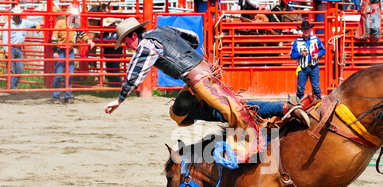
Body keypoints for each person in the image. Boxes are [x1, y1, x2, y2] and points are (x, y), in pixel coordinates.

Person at [104, 18, 310, 161]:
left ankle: (283, 108)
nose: (126, 46)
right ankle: (279, 108)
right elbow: (192, 37)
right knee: (179, 112)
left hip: (199, 81)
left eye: (125, 42)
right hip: (204, 74)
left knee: (237, 111)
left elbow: (136, 72)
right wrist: (190, 57)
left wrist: (120, 99)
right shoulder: (163, 30)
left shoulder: (146, 45)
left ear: (132, 36)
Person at [51, 6, 95, 104]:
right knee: (58, 75)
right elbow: (54, 37)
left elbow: (81, 34)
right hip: (60, 50)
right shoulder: (60, 23)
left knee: (69, 75)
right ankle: (56, 97)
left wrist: (88, 40)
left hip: (70, 51)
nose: (75, 18)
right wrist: (55, 51)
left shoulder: (75, 24)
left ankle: (67, 96)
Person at [1, 6, 41, 91]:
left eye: (19, 14)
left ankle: (13, 86)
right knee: (10, 69)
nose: (18, 15)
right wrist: (6, 51)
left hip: (19, 48)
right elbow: (5, 38)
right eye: (16, 14)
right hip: (10, 47)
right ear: (13, 15)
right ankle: (11, 88)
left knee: (19, 69)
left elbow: (34, 23)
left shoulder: (24, 22)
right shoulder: (8, 24)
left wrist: (37, 25)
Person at [290, 20, 326, 103]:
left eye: (307, 29)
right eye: (304, 29)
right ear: (302, 31)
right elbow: (292, 55)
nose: (306, 31)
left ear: (310, 30)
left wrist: (318, 55)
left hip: (314, 67)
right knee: (300, 89)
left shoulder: (316, 39)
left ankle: (319, 104)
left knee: (316, 88)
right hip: (303, 68)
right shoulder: (297, 41)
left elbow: (323, 50)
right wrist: (300, 54)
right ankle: (300, 105)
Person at [102, 18, 122, 87]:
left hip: (115, 53)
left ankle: (118, 86)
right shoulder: (106, 32)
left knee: (115, 71)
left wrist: (109, 43)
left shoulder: (118, 32)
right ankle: (112, 85)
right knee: (109, 70)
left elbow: (120, 42)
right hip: (108, 54)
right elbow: (102, 40)